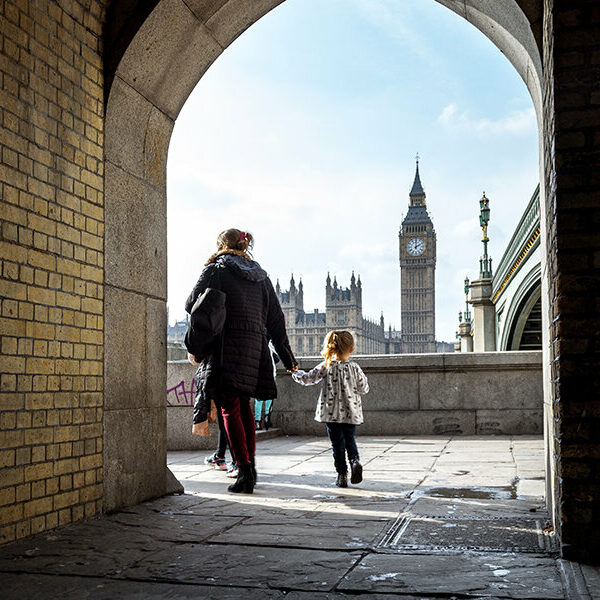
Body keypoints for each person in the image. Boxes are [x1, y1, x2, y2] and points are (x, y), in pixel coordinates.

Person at [186, 228, 297, 494]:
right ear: (244, 246)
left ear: (222, 245)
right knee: (244, 407)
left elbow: (192, 303)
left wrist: (196, 345)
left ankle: (244, 471)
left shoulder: (217, 269)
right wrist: (288, 358)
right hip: (255, 349)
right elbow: (276, 320)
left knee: (229, 409)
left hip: (227, 346)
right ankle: (250, 467)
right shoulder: (261, 276)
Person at [292, 330, 369, 488]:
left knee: (337, 445)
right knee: (350, 439)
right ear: (351, 349)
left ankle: (341, 475)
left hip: (330, 413)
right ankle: (355, 461)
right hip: (350, 412)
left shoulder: (326, 365)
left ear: (330, 348)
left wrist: (295, 373)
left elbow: (308, 379)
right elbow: (364, 388)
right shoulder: (354, 368)